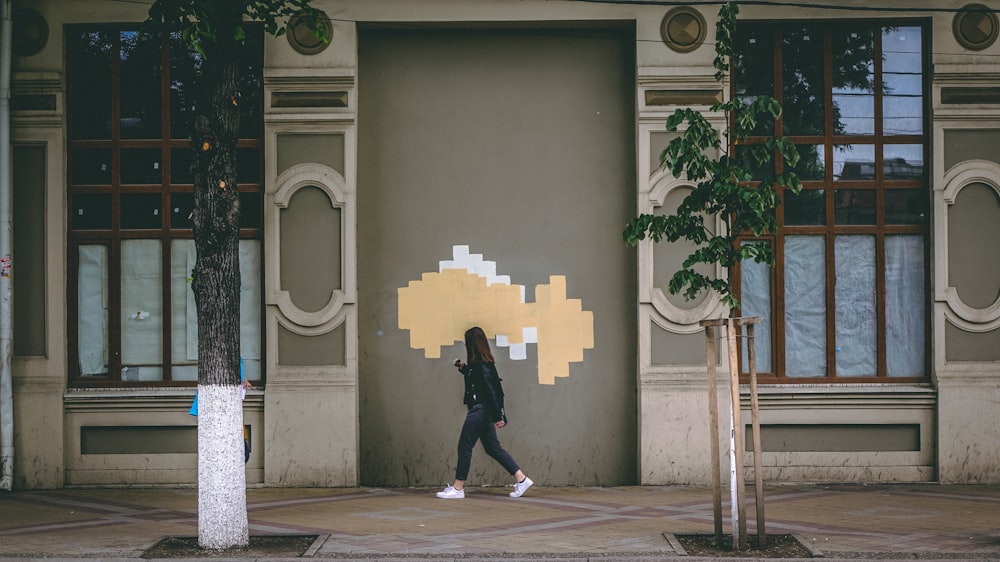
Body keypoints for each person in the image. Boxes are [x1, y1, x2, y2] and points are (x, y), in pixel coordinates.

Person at [436, 326, 534, 499]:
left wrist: (499, 416)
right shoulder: (481, 365)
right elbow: (480, 381)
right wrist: (463, 368)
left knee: (465, 446)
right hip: (483, 410)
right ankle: (521, 479)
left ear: (472, 345)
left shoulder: (482, 365)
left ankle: (458, 489)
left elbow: (493, 391)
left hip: (480, 410)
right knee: (492, 448)